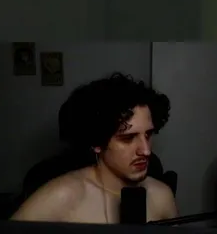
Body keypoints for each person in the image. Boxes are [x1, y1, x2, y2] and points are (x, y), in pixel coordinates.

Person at [11, 73, 178, 223]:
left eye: (148, 135)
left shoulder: (162, 196)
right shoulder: (63, 196)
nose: (146, 150)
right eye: (128, 138)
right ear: (97, 142)